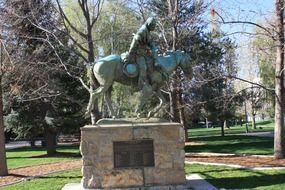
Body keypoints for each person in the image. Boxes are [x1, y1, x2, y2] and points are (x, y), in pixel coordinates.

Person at [124, 17, 158, 88]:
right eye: (153, 25)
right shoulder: (142, 31)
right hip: (138, 54)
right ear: (149, 24)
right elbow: (134, 42)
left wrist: (153, 48)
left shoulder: (147, 32)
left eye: (154, 26)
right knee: (143, 68)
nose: (154, 27)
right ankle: (141, 86)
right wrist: (131, 54)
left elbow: (149, 42)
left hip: (144, 53)